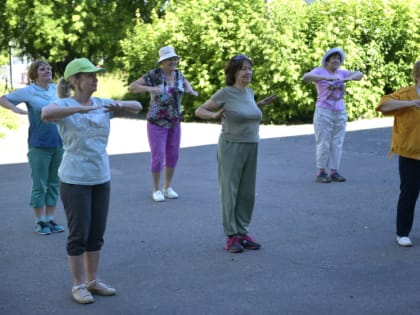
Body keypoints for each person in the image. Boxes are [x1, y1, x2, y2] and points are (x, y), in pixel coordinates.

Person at [41, 58, 142, 304]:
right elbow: (46, 113)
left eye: (96, 75)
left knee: (96, 233)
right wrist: (78, 109)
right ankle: (78, 285)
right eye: (89, 75)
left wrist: (120, 104)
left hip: (100, 177)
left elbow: (138, 106)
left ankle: (93, 280)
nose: (96, 78)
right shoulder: (63, 104)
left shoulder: (101, 103)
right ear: (75, 81)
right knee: (79, 234)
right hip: (75, 179)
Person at [195, 54, 276, 253]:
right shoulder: (226, 93)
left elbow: (246, 113)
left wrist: (260, 105)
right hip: (231, 145)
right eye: (243, 69)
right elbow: (199, 110)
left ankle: (242, 232)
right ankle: (231, 236)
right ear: (234, 73)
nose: (247, 72)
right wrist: (214, 115)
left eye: (249, 68)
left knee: (246, 192)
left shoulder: (249, 93)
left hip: (251, 144)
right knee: (230, 191)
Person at [0, 60, 65, 235]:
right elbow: (2, 99)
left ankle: (50, 219)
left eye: (49, 68)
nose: (47, 71)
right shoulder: (28, 91)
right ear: (34, 73)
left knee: (53, 183)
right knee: (40, 185)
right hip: (39, 145)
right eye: (43, 69)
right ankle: (40, 222)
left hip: (59, 143)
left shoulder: (56, 90)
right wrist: (15, 109)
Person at [129, 46, 198, 202]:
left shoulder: (179, 75)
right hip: (156, 122)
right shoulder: (154, 75)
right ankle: (156, 189)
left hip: (175, 121)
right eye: (169, 59)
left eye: (175, 59)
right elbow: (133, 87)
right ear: (162, 62)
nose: (173, 62)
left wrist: (190, 90)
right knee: (158, 156)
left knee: (173, 155)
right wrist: (152, 89)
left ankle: (167, 187)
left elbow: (185, 82)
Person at [302, 48, 363, 183]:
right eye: (333, 58)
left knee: (337, 142)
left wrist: (348, 78)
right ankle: (321, 172)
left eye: (338, 58)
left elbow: (360, 74)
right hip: (324, 111)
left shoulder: (342, 73)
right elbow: (306, 77)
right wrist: (326, 78)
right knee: (324, 142)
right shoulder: (319, 71)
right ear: (327, 60)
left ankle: (334, 171)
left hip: (340, 111)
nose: (336, 60)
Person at [376, 61, 420, 247]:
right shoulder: (405, 94)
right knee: (409, 193)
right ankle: (402, 233)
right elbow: (383, 105)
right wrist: (411, 103)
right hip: (410, 153)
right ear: (418, 76)